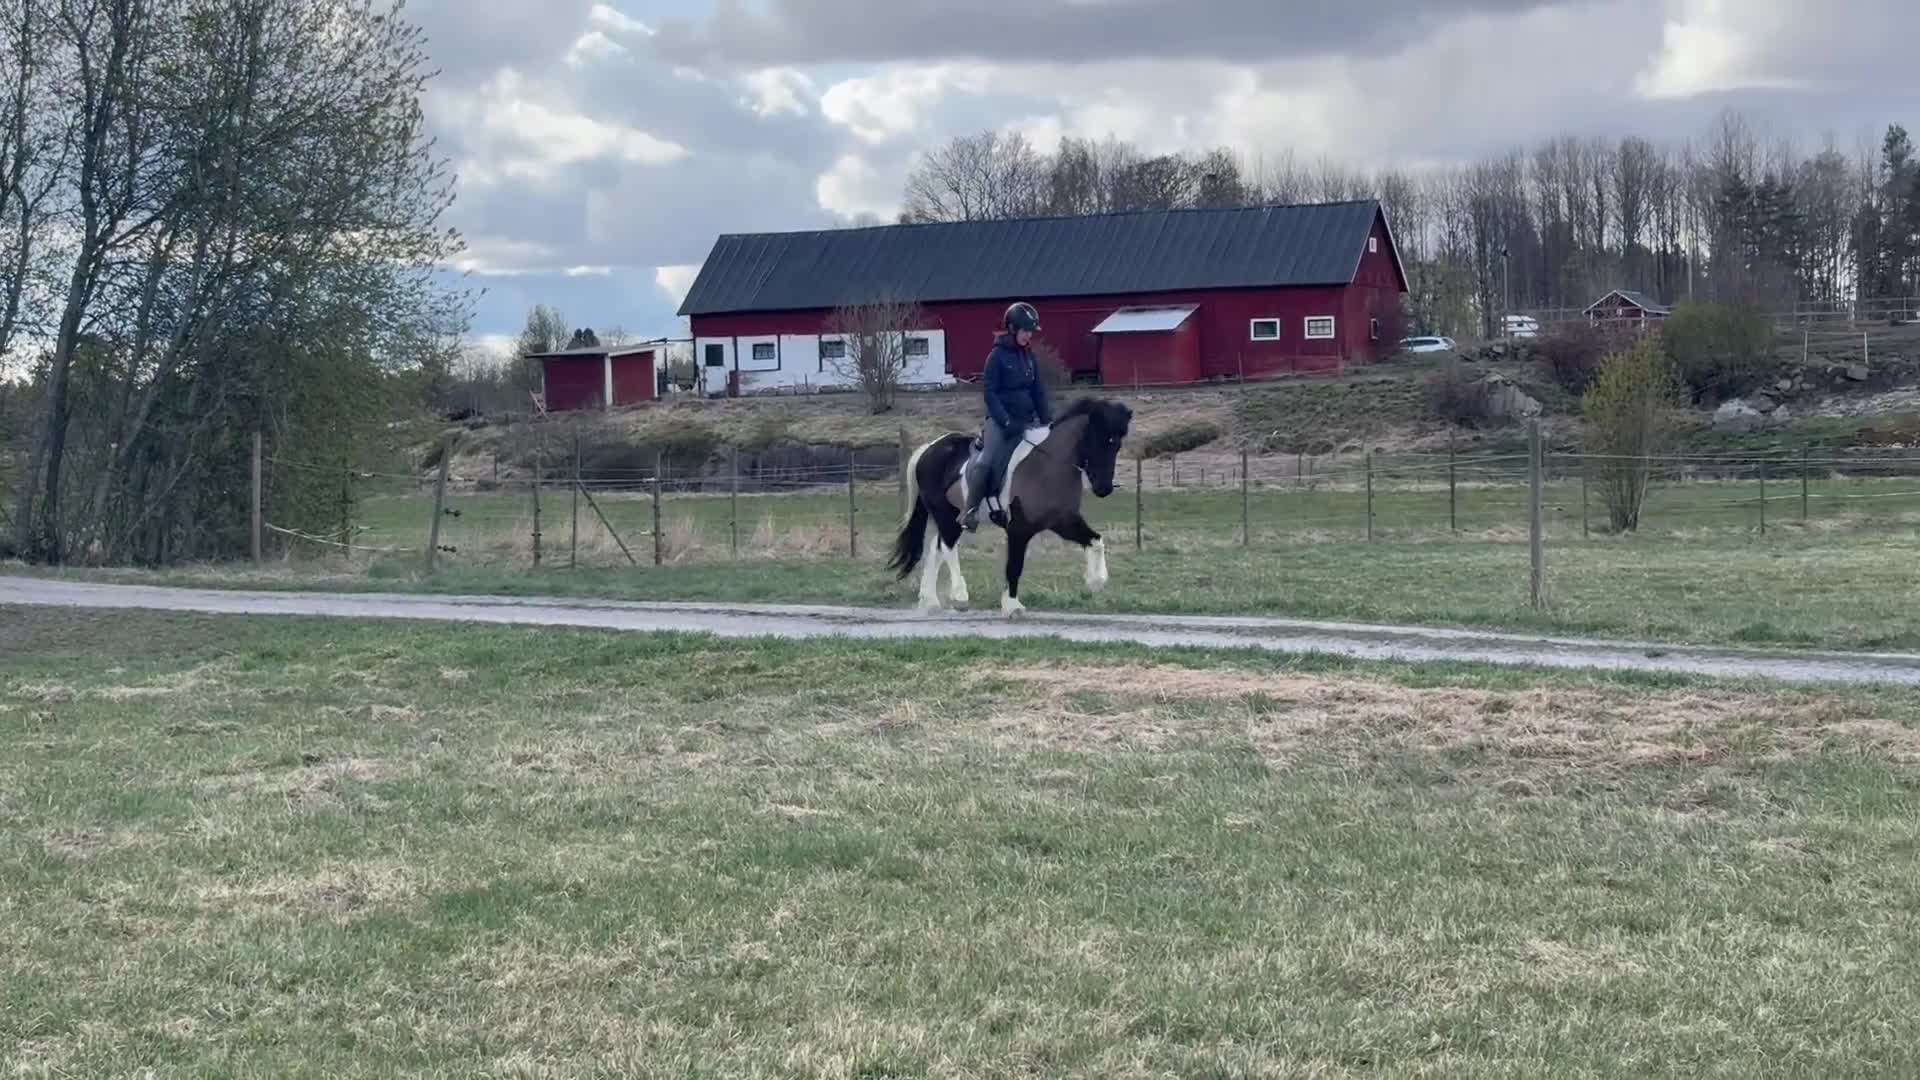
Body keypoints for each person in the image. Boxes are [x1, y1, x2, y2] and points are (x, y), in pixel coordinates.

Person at [962, 301, 1053, 531]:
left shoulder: (1029, 357)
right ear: (1012, 329)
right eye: (1025, 331)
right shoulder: (996, 357)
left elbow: (1038, 391)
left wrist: (1048, 422)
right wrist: (1005, 421)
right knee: (988, 460)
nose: (1028, 335)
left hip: (1027, 421)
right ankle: (970, 511)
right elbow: (990, 394)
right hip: (1001, 422)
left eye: (1030, 331)